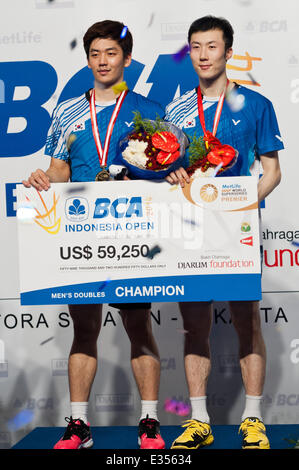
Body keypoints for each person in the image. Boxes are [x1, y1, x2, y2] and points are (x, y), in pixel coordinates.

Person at [22, 20, 165, 450]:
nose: (103, 61)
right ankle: (79, 426)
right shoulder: (67, 111)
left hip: (131, 232)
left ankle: (150, 422)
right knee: (84, 328)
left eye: (112, 54)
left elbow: (158, 174)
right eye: (95, 54)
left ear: (127, 58)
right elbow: (59, 170)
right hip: (80, 235)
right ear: (87, 59)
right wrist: (41, 178)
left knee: (138, 325)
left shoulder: (149, 110)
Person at [165, 15, 283, 450]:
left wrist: (243, 203)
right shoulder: (176, 111)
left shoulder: (255, 104)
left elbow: (272, 171)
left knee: (246, 323)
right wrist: (171, 173)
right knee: (194, 326)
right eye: (195, 46)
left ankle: (253, 420)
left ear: (228, 53)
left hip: (236, 230)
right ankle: (198, 421)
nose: (202, 54)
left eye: (211, 46)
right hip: (190, 232)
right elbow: (164, 170)